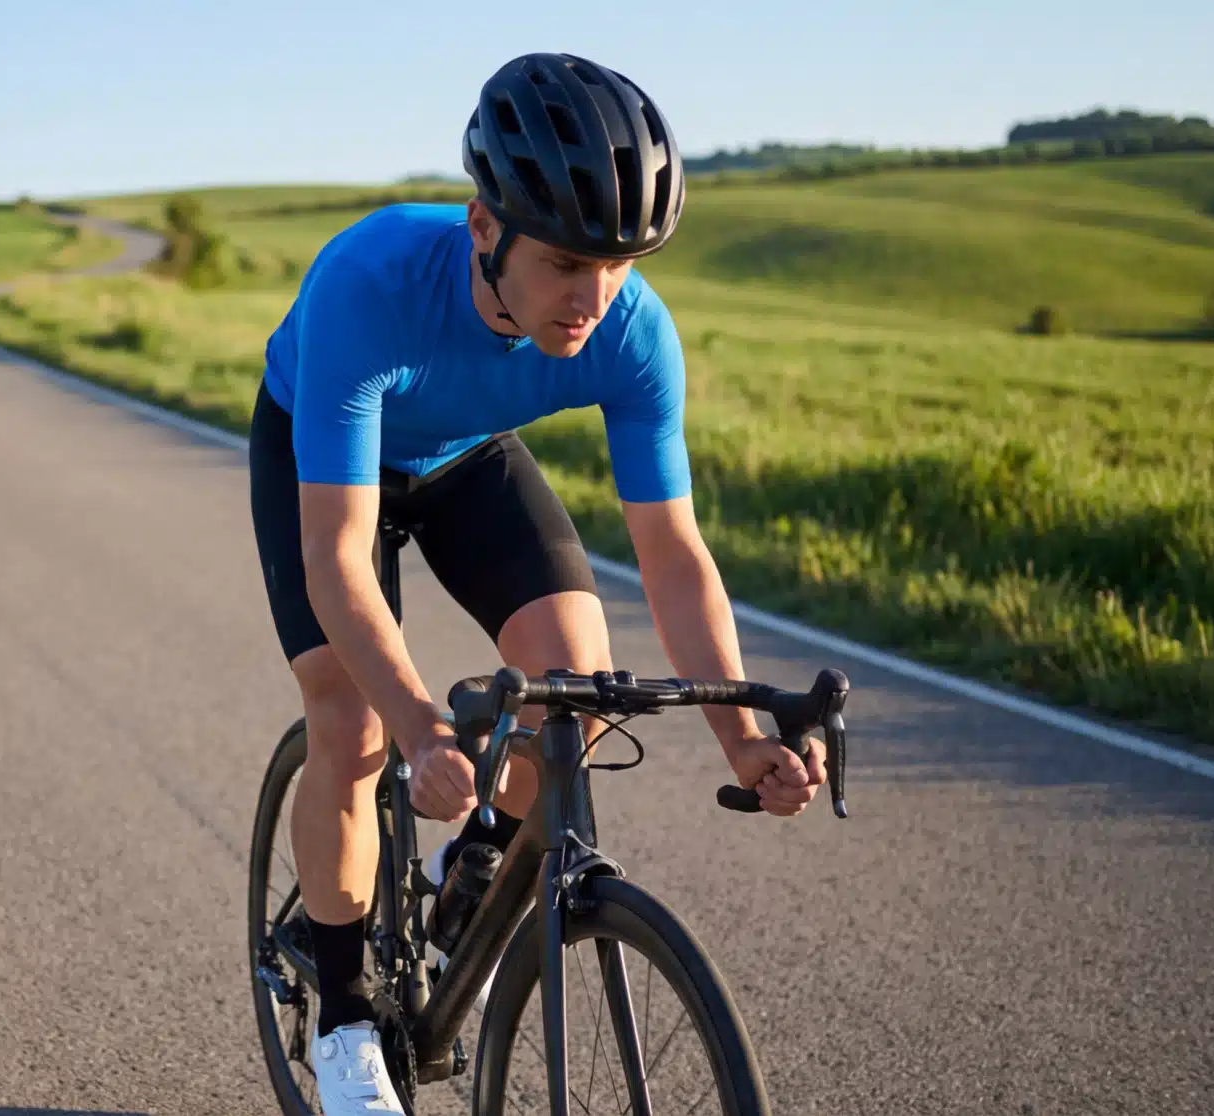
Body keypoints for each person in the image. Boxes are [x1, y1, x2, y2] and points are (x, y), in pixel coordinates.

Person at [247, 51, 829, 1114]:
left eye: (617, 264)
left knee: (581, 685)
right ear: (484, 229)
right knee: (353, 722)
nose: (592, 297)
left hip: (468, 454)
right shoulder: (368, 284)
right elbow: (337, 557)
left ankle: (473, 869)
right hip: (328, 453)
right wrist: (423, 727)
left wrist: (745, 741)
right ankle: (339, 1018)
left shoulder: (631, 330)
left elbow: (671, 554)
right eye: (565, 262)